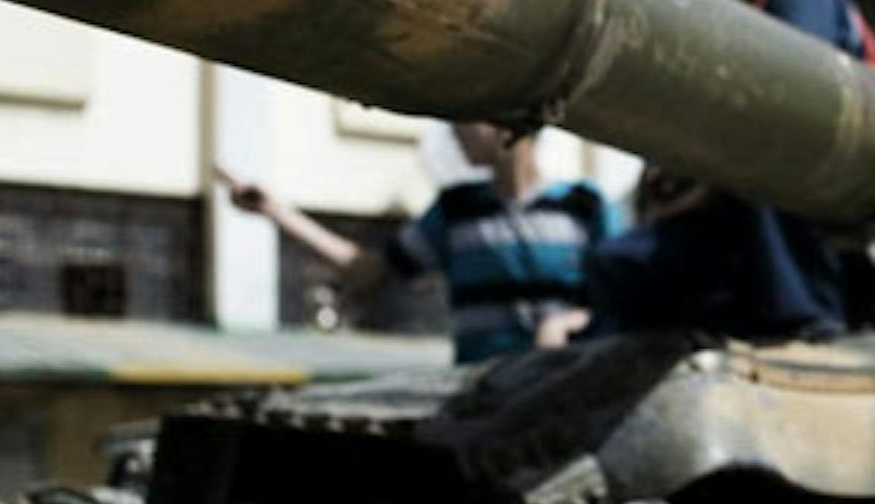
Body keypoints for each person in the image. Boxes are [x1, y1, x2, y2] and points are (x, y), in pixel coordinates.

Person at [550, 0, 875, 344]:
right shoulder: (729, 20)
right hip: (732, 210)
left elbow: (794, 98)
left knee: (770, 170)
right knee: (619, 262)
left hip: (817, 190)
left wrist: (701, 191)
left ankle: (804, 322)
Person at [217, 121, 617, 364]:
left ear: (506, 125)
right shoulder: (456, 209)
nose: (454, 130)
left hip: (562, 394)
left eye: (466, 118)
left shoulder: (584, 206)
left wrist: (566, 322)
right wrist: (275, 211)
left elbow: (622, 301)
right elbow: (367, 270)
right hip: (483, 398)